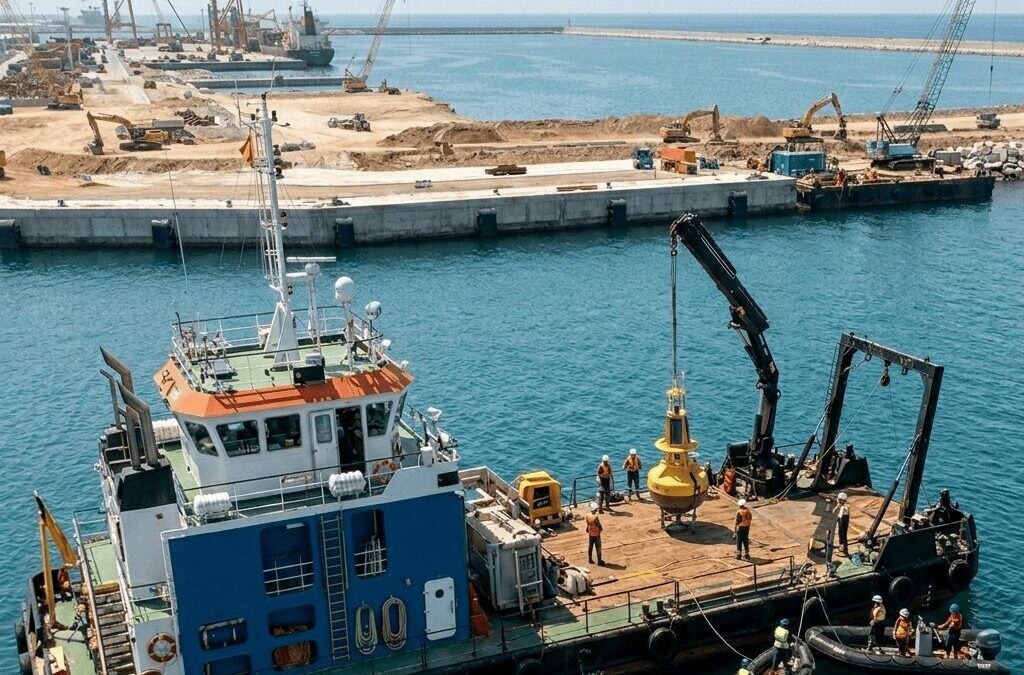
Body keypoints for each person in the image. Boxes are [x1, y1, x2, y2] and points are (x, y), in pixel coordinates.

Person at [585, 502, 604, 566]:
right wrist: (601, 529)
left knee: (590, 546)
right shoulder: (595, 517)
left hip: (590, 533)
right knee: (598, 547)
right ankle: (599, 561)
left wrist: (588, 529)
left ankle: (590, 559)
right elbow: (598, 525)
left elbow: (587, 523)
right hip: (596, 534)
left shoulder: (587, 515)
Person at [833, 492, 850, 556]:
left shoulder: (844, 507)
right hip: (842, 520)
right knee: (842, 536)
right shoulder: (844, 506)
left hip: (843, 521)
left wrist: (838, 505)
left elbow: (834, 511)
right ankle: (842, 549)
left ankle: (844, 551)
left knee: (842, 536)